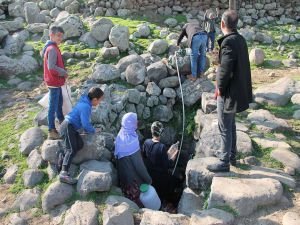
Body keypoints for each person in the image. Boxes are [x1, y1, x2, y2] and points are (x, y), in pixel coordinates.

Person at [207, 10, 252, 172]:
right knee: (230, 124)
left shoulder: (228, 42)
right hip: (237, 90)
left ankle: (224, 161)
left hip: (228, 92)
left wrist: (219, 88)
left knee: (224, 126)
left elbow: (225, 70)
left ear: (222, 24)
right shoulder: (240, 39)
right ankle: (231, 156)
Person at [58, 87, 104, 184]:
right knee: (71, 149)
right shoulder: (86, 106)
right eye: (100, 100)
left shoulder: (85, 103)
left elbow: (82, 122)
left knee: (79, 145)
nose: (99, 103)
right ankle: (64, 173)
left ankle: (63, 156)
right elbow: (86, 124)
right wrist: (94, 130)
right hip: (67, 126)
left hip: (71, 127)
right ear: (95, 99)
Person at [115, 112, 152, 207]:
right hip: (133, 180)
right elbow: (139, 166)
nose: (137, 123)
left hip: (124, 178)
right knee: (141, 200)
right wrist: (148, 179)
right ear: (130, 124)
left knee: (130, 198)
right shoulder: (131, 142)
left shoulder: (122, 134)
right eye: (135, 121)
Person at [142, 121, 179, 211]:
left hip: (150, 174)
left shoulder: (146, 142)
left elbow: (144, 156)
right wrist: (173, 155)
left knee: (155, 190)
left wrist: (165, 155)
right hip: (161, 177)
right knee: (171, 183)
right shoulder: (161, 147)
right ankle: (164, 203)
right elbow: (167, 165)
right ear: (161, 133)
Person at [43, 26, 67, 140]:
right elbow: (51, 67)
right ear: (51, 35)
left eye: (61, 36)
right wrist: (63, 72)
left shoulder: (53, 47)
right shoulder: (52, 49)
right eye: (58, 36)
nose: (60, 38)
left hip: (55, 81)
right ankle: (51, 130)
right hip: (54, 82)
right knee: (53, 106)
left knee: (59, 102)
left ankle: (61, 121)